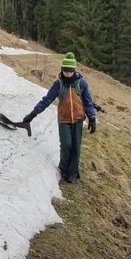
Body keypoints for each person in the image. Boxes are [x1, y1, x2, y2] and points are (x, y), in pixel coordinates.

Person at [21, 52, 97, 184]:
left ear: (74, 70)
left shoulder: (81, 84)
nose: (68, 74)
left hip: (78, 119)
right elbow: (46, 100)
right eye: (65, 71)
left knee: (76, 147)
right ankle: (63, 169)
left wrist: (92, 118)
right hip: (64, 120)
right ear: (62, 70)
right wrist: (33, 114)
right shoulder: (58, 84)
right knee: (66, 144)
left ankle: (73, 173)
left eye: (70, 71)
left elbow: (88, 102)